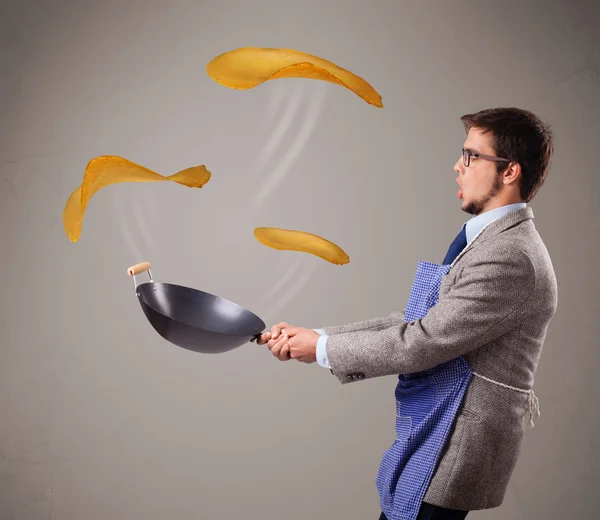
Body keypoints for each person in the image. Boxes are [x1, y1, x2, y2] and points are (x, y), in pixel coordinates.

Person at [256, 107, 558, 520]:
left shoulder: (510, 256)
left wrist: (323, 349)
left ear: (510, 172)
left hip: (454, 441)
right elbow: (418, 319)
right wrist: (320, 336)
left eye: (472, 156)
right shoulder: (492, 241)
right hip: (437, 430)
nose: (458, 166)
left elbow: (424, 341)